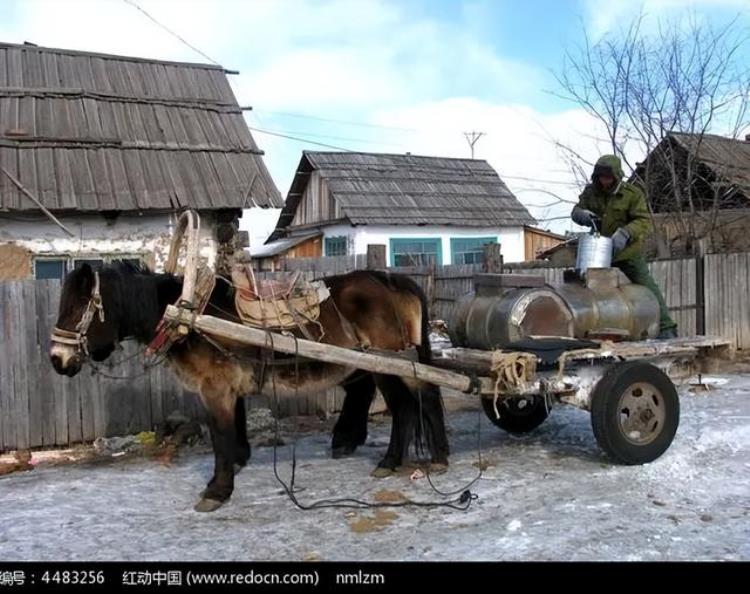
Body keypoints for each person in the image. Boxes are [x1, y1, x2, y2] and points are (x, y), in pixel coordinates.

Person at [572, 154, 678, 339]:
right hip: (599, 251)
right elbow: (576, 210)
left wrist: (626, 232)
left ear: (616, 176)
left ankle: (666, 328)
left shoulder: (632, 194)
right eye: (601, 177)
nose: (604, 181)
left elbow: (643, 221)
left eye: (608, 177)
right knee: (586, 288)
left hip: (627, 251)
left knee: (647, 285)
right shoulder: (590, 192)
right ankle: (590, 330)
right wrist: (582, 215)